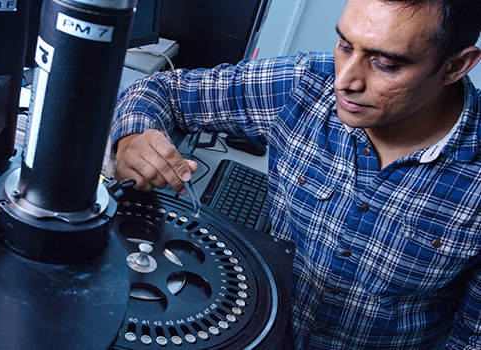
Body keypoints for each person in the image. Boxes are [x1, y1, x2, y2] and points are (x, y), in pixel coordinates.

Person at [110, 0, 481, 348]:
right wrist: (132, 141)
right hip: (263, 329)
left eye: (385, 63)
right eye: (345, 45)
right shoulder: (304, 84)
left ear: (455, 66)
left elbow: (471, 339)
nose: (345, 81)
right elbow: (161, 90)